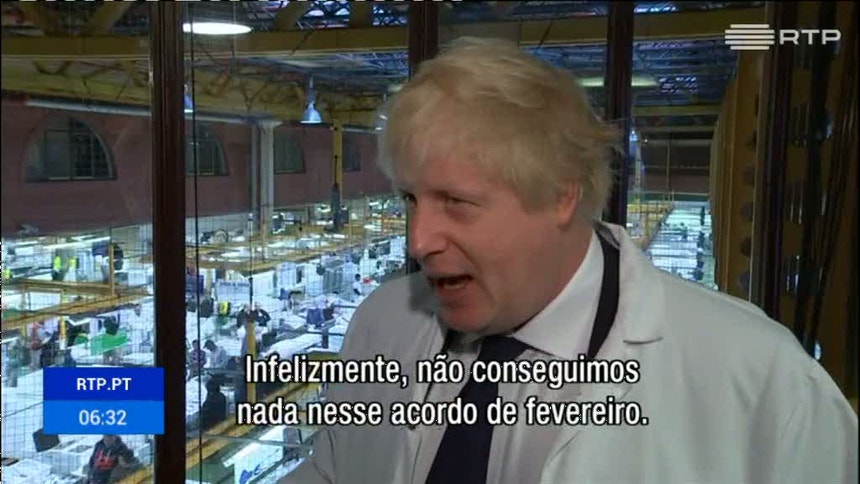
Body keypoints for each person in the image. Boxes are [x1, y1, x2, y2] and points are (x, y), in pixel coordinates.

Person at [281, 37, 858, 484]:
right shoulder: (383, 323)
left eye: (455, 202)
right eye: (410, 199)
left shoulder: (761, 384)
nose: (418, 240)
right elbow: (332, 470)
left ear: (561, 195)